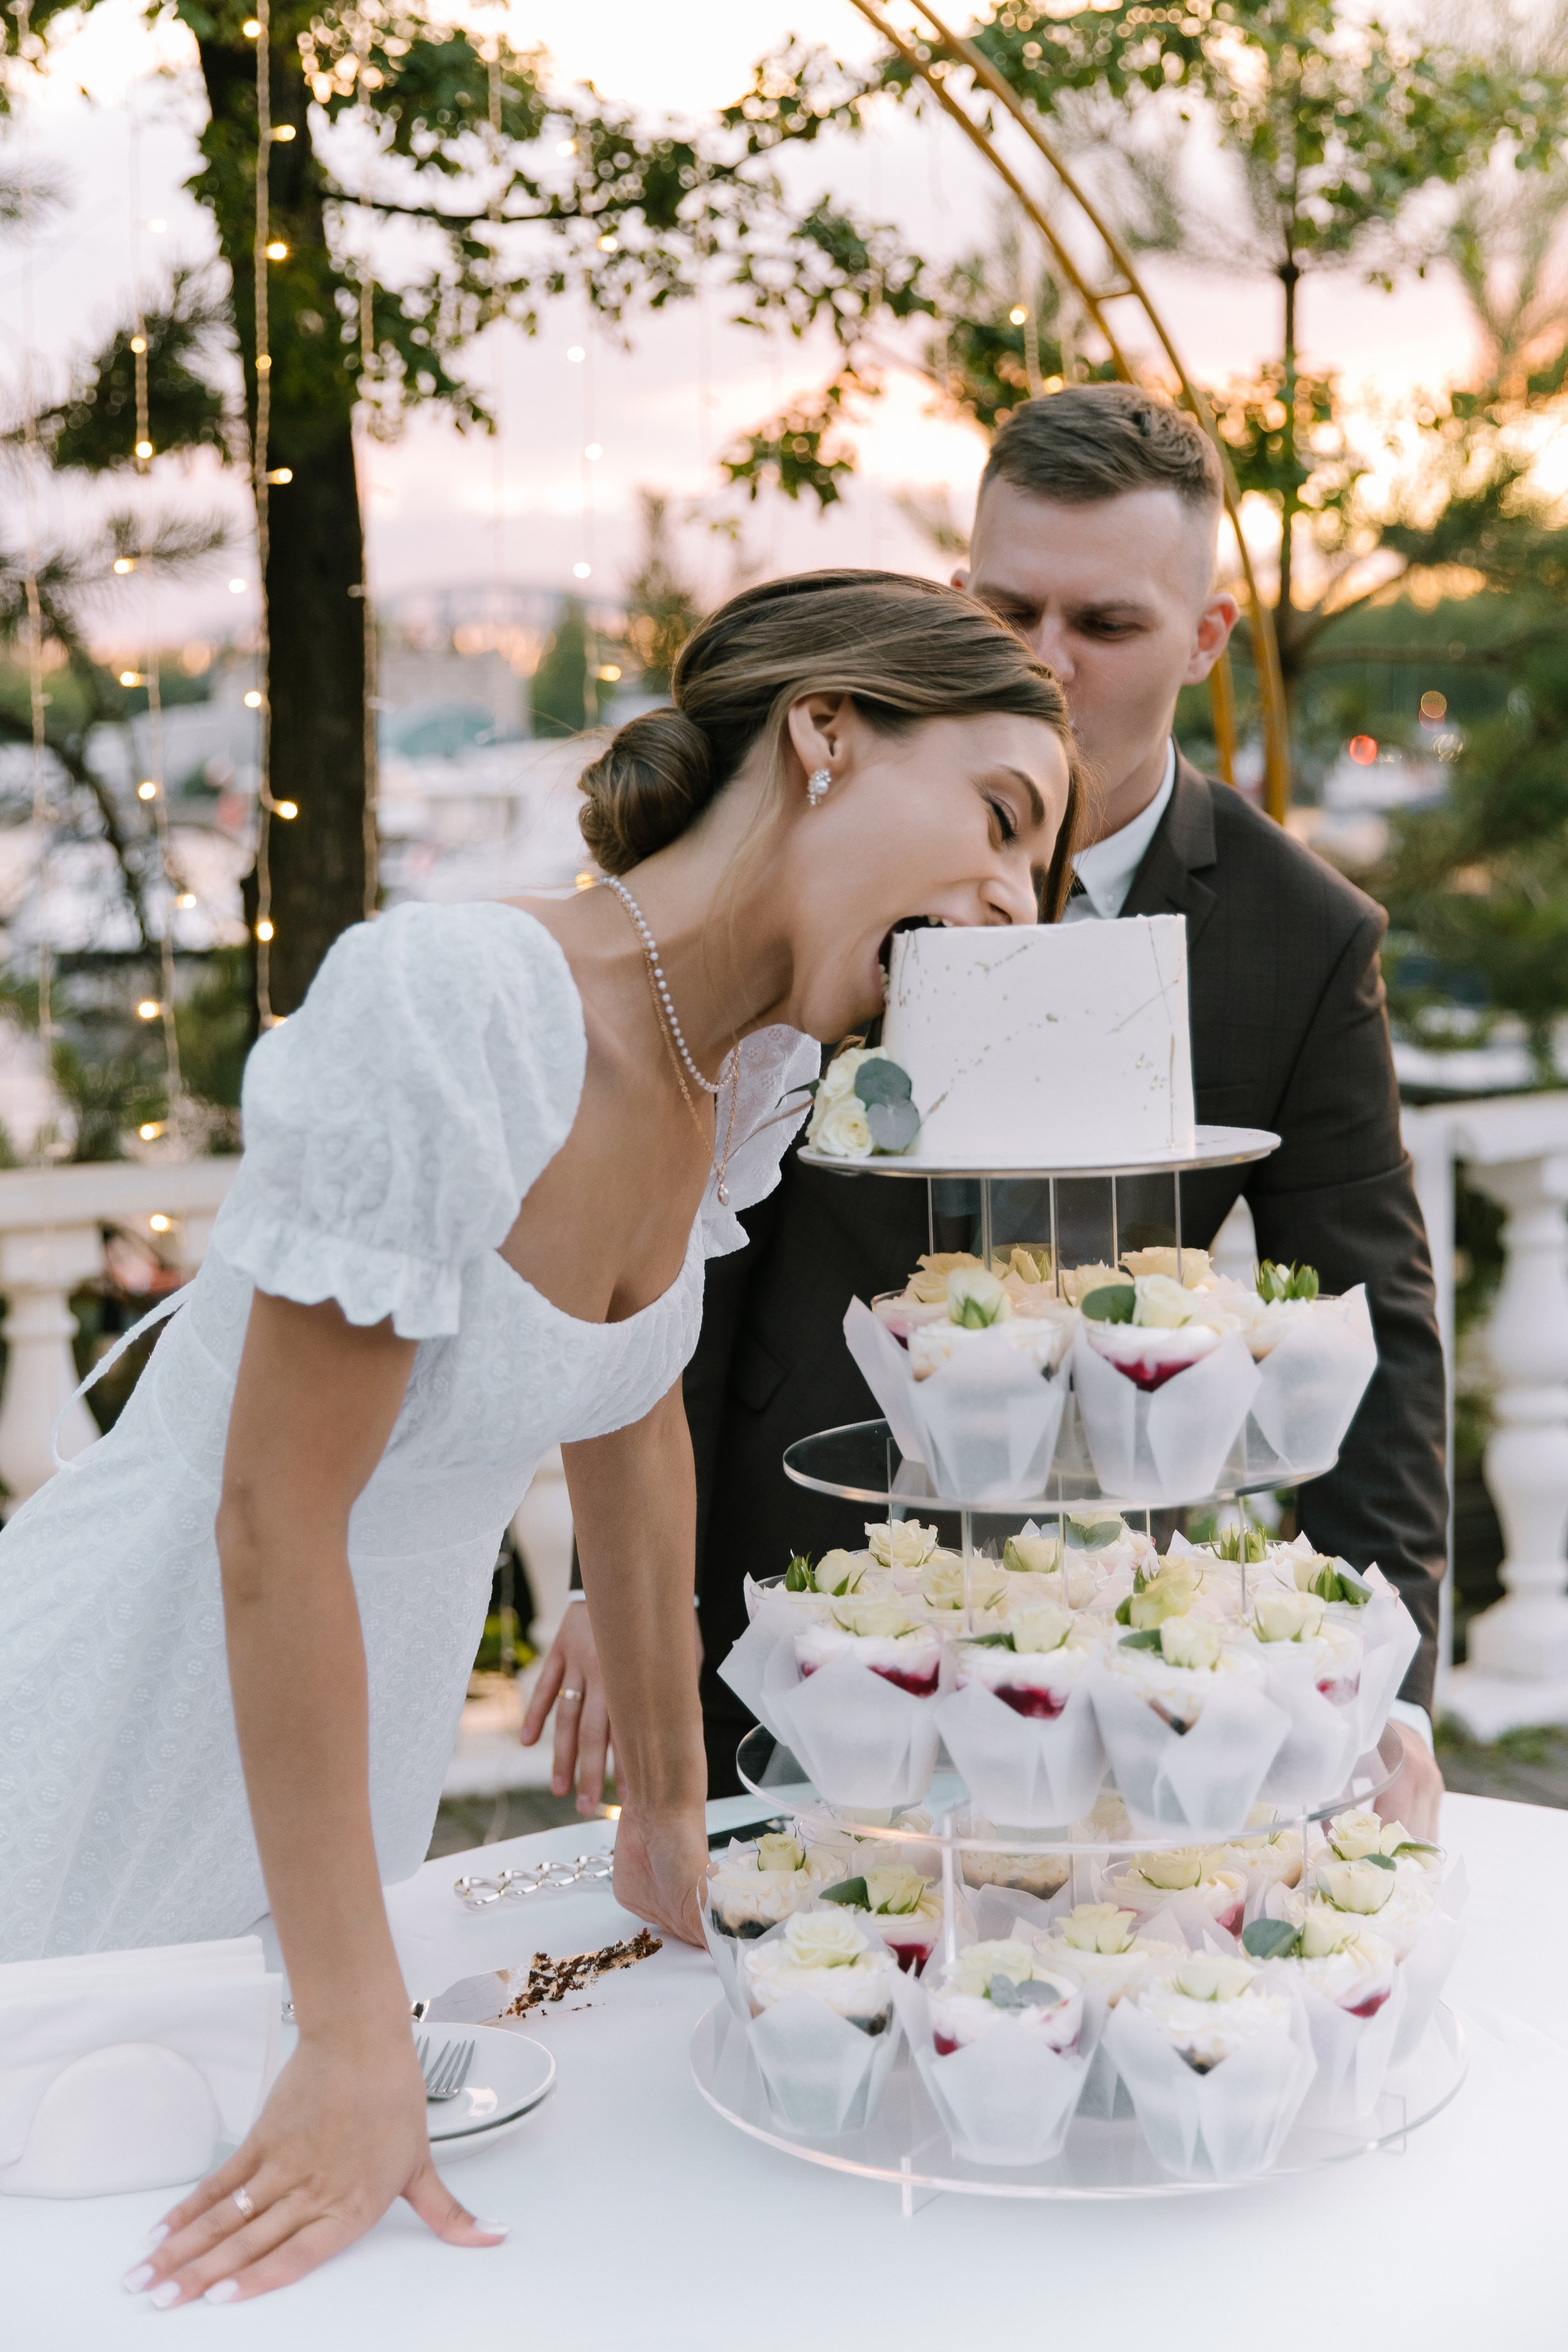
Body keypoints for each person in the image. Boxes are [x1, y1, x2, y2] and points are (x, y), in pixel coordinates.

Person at [0, 570, 1077, 2305]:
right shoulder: (460, 1005)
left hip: (333, 1790)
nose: (1018, 905)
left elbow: (628, 1419)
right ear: (824, 734)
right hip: (121, 1718)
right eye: (1003, 819)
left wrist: (668, 1808)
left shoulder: (738, 1074)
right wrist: (359, 2043)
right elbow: (274, 1527)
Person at [579, 385, 1438, 1836]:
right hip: (785, 1548)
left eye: (1102, 627)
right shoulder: (828, 842)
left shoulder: (1299, 938)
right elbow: (681, 1228)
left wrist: (1386, 1694)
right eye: (1005, 611)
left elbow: (1372, 1334)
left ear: (1203, 638)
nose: (1044, 664)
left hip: (1104, 1612)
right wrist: (628, 1579)